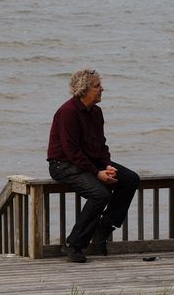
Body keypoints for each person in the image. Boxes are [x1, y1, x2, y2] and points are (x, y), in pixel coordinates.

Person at [47, 68, 139, 263]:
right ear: (84, 90)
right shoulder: (67, 112)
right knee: (100, 194)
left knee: (130, 179)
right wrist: (97, 173)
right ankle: (75, 244)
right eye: (97, 86)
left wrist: (106, 166)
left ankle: (102, 230)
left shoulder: (96, 112)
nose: (102, 89)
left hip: (90, 161)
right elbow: (72, 152)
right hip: (62, 164)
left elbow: (101, 144)